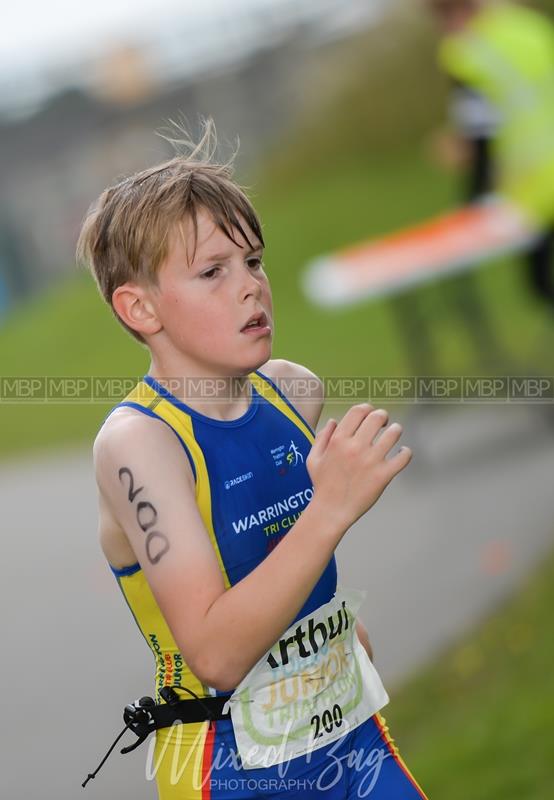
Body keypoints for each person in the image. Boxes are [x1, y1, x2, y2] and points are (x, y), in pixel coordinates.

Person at [77, 122, 428, 799]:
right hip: (231, 770)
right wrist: (330, 509)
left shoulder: (292, 391)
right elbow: (216, 653)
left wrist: (338, 639)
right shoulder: (139, 445)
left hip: (349, 740)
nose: (250, 288)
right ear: (139, 306)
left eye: (254, 262)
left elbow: (278, 559)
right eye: (212, 272)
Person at [428, 0, 554, 305]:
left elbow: (479, 131)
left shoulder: (465, 52)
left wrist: (472, 201)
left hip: (537, 188)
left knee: (541, 284)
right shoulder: (527, 27)